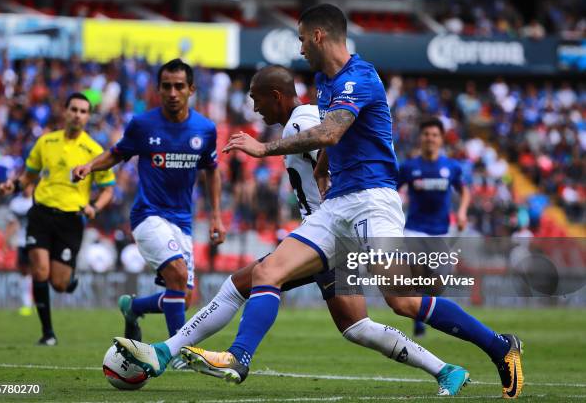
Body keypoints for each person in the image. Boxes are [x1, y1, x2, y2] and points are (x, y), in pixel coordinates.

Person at [113, 65, 471, 396]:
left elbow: (332, 155)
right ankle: (446, 369)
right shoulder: (308, 118)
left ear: (277, 95)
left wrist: (329, 197)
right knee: (356, 326)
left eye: (257, 99)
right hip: (329, 233)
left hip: (327, 235)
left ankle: (173, 352)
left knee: (244, 282)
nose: (255, 109)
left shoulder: (299, 123)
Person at [73, 59, 225, 341]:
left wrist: (216, 215)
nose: (172, 92)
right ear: (158, 89)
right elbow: (117, 153)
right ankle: (178, 350)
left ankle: (133, 307)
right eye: (166, 86)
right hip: (148, 215)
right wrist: (90, 166)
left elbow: (212, 171)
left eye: (179, 86)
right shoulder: (143, 125)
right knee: (178, 275)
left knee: (183, 297)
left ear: (191, 89)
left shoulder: (205, 129)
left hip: (182, 221)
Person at [0, 92, 115, 345]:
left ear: (88, 116)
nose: (77, 114)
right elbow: (28, 176)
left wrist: (94, 207)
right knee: (39, 270)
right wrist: (13, 186)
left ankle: (67, 281)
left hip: (70, 220)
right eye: (74, 109)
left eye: (83, 111)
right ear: (65, 111)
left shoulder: (94, 150)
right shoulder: (46, 142)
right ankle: (48, 333)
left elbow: (108, 189)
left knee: (59, 284)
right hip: (40, 213)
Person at [398, 118, 470, 337]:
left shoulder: (452, 167)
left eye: (434, 134)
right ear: (421, 138)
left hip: (441, 231)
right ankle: (419, 319)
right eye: (426, 134)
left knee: (437, 285)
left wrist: (462, 212)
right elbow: (392, 191)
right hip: (414, 229)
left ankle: (421, 312)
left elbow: (464, 191)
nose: (430, 138)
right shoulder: (409, 167)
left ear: (441, 139)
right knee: (417, 274)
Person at [4, 184, 34, 316]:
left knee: (40, 271)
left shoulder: (38, 200)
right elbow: (12, 223)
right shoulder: (16, 203)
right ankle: (26, 303)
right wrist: (6, 241)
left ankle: (40, 301)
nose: (27, 188)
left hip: (37, 241)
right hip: (22, 241)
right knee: (24, 272)